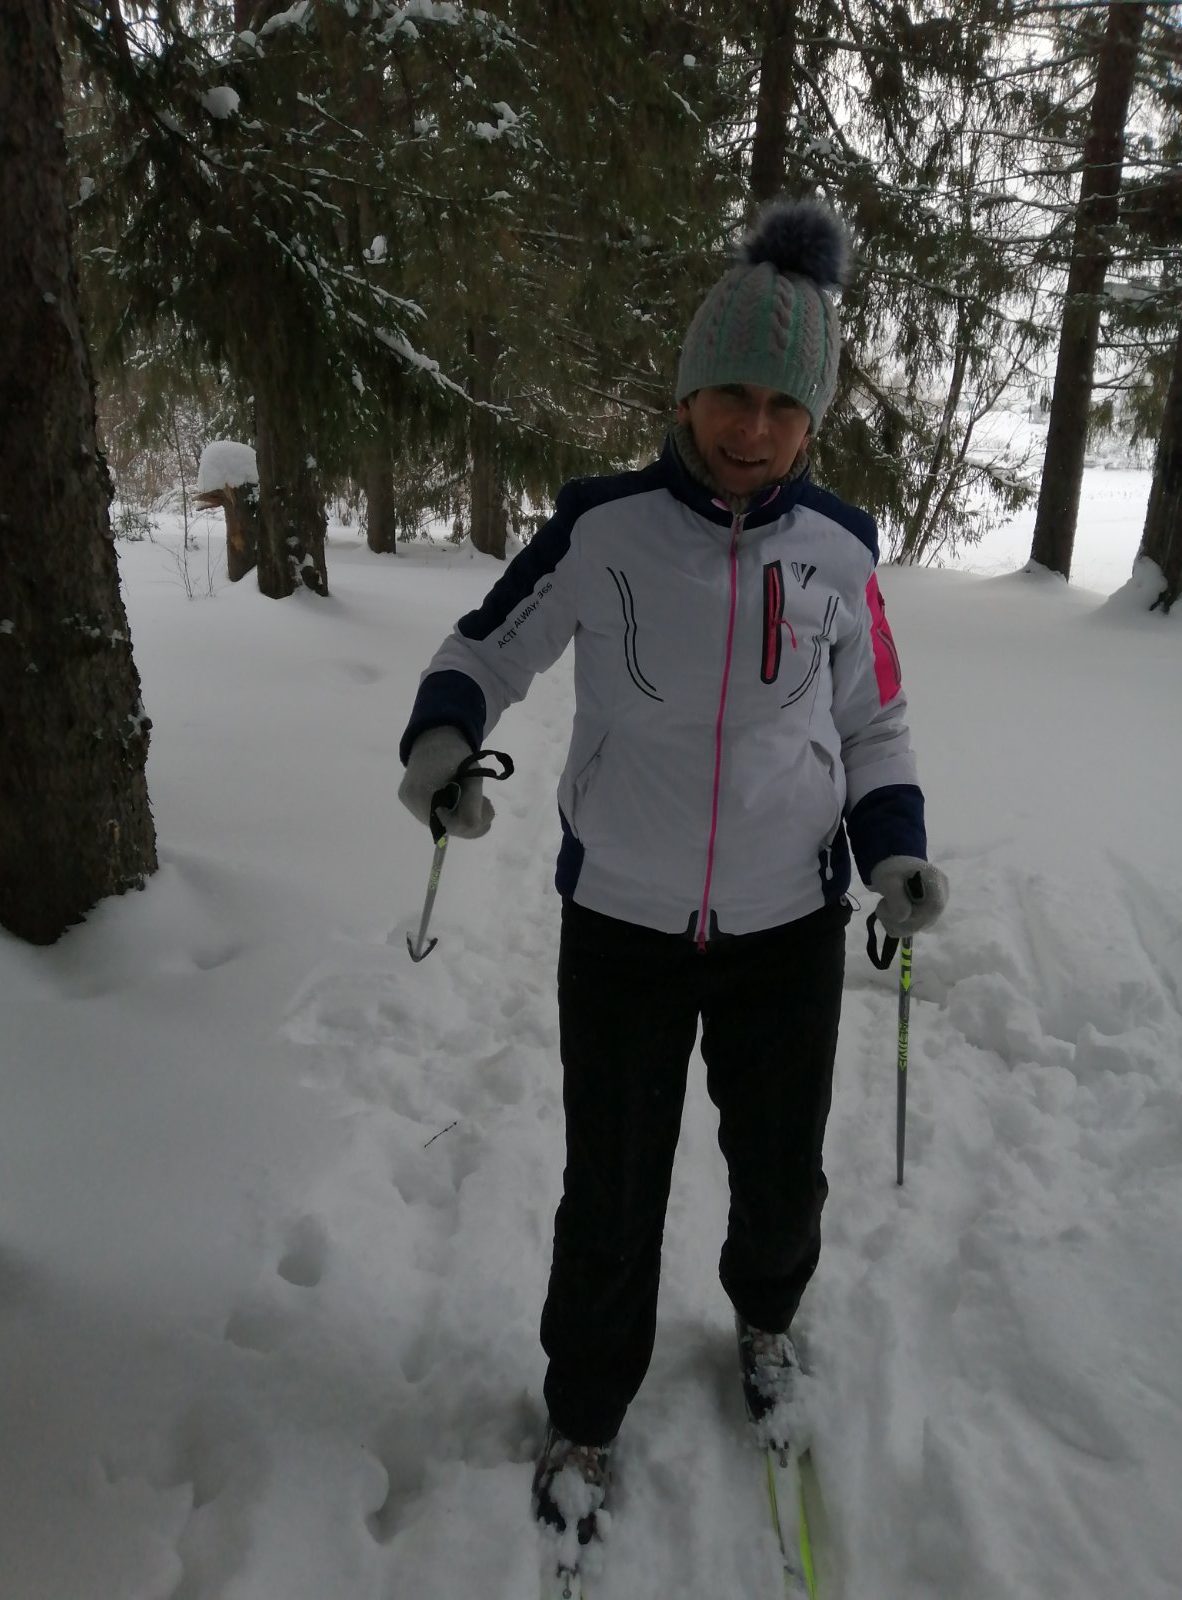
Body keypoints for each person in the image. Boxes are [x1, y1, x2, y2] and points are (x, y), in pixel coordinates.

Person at [397, 198, 948, 1546]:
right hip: (624, 923)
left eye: (782, 404)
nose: (753, 428)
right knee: (612, 1190)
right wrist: (443, 744)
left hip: (788, 924)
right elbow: (487, 647)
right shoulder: (603, 527)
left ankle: (765, 1322)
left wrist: (895, 850)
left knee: (781, 1174)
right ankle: (587, 1410)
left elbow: (875, 719)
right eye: (731, 396)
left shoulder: (840, 550)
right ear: (688, 394)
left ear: (812, 421)